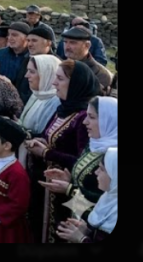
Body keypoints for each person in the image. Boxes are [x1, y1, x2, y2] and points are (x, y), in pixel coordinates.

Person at [23, 60, 98, 243]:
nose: (54, 83)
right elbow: (52, 138)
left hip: (66, 192)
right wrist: (40, 140)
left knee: (59, 233)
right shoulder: (62, 109)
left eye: (60, 79)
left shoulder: (83, 118)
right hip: (46, 185)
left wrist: (47, 153)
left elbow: (82, 162)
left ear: (75, 84)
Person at [37, 94, 115, 243]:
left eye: (92, 117)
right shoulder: (93, 145)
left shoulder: (112, 158)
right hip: (79, 222)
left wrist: (69, 190)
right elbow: (86, 187)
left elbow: (102, 206)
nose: (85, 122)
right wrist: (70, 180)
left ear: (108, 120)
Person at [55, 147, 116, 243]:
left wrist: (82, 239)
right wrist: (88, 232)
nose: (96, 172)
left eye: (102, 169)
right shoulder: (108, 198)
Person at [57, 25, 113, 97]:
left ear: (87, 45)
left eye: (72, 43)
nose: (67, 47)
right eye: (65, 42)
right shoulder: (59, 66)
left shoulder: (100, 73)